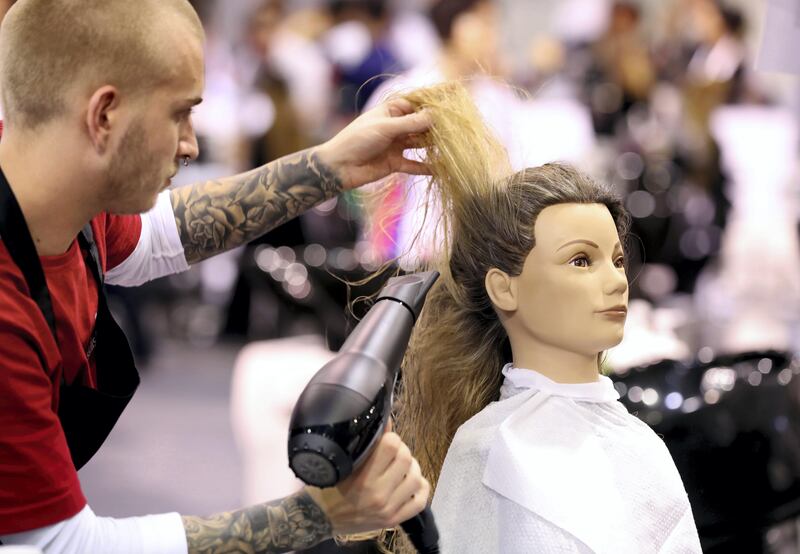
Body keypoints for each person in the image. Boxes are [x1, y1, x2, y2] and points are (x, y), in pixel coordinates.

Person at [0, 0, 432, 552]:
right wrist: (319, 514)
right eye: (179, 114)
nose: (192, 144)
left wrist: (332, 166)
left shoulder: (54, 185)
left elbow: (158, 235)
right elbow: (59, 544)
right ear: (103, 115)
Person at [382, 83, 702, 552]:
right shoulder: (488, 452)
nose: (616, 281)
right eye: (580, 261)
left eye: (616, 260)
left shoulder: (643, 448)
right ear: (503, 288)